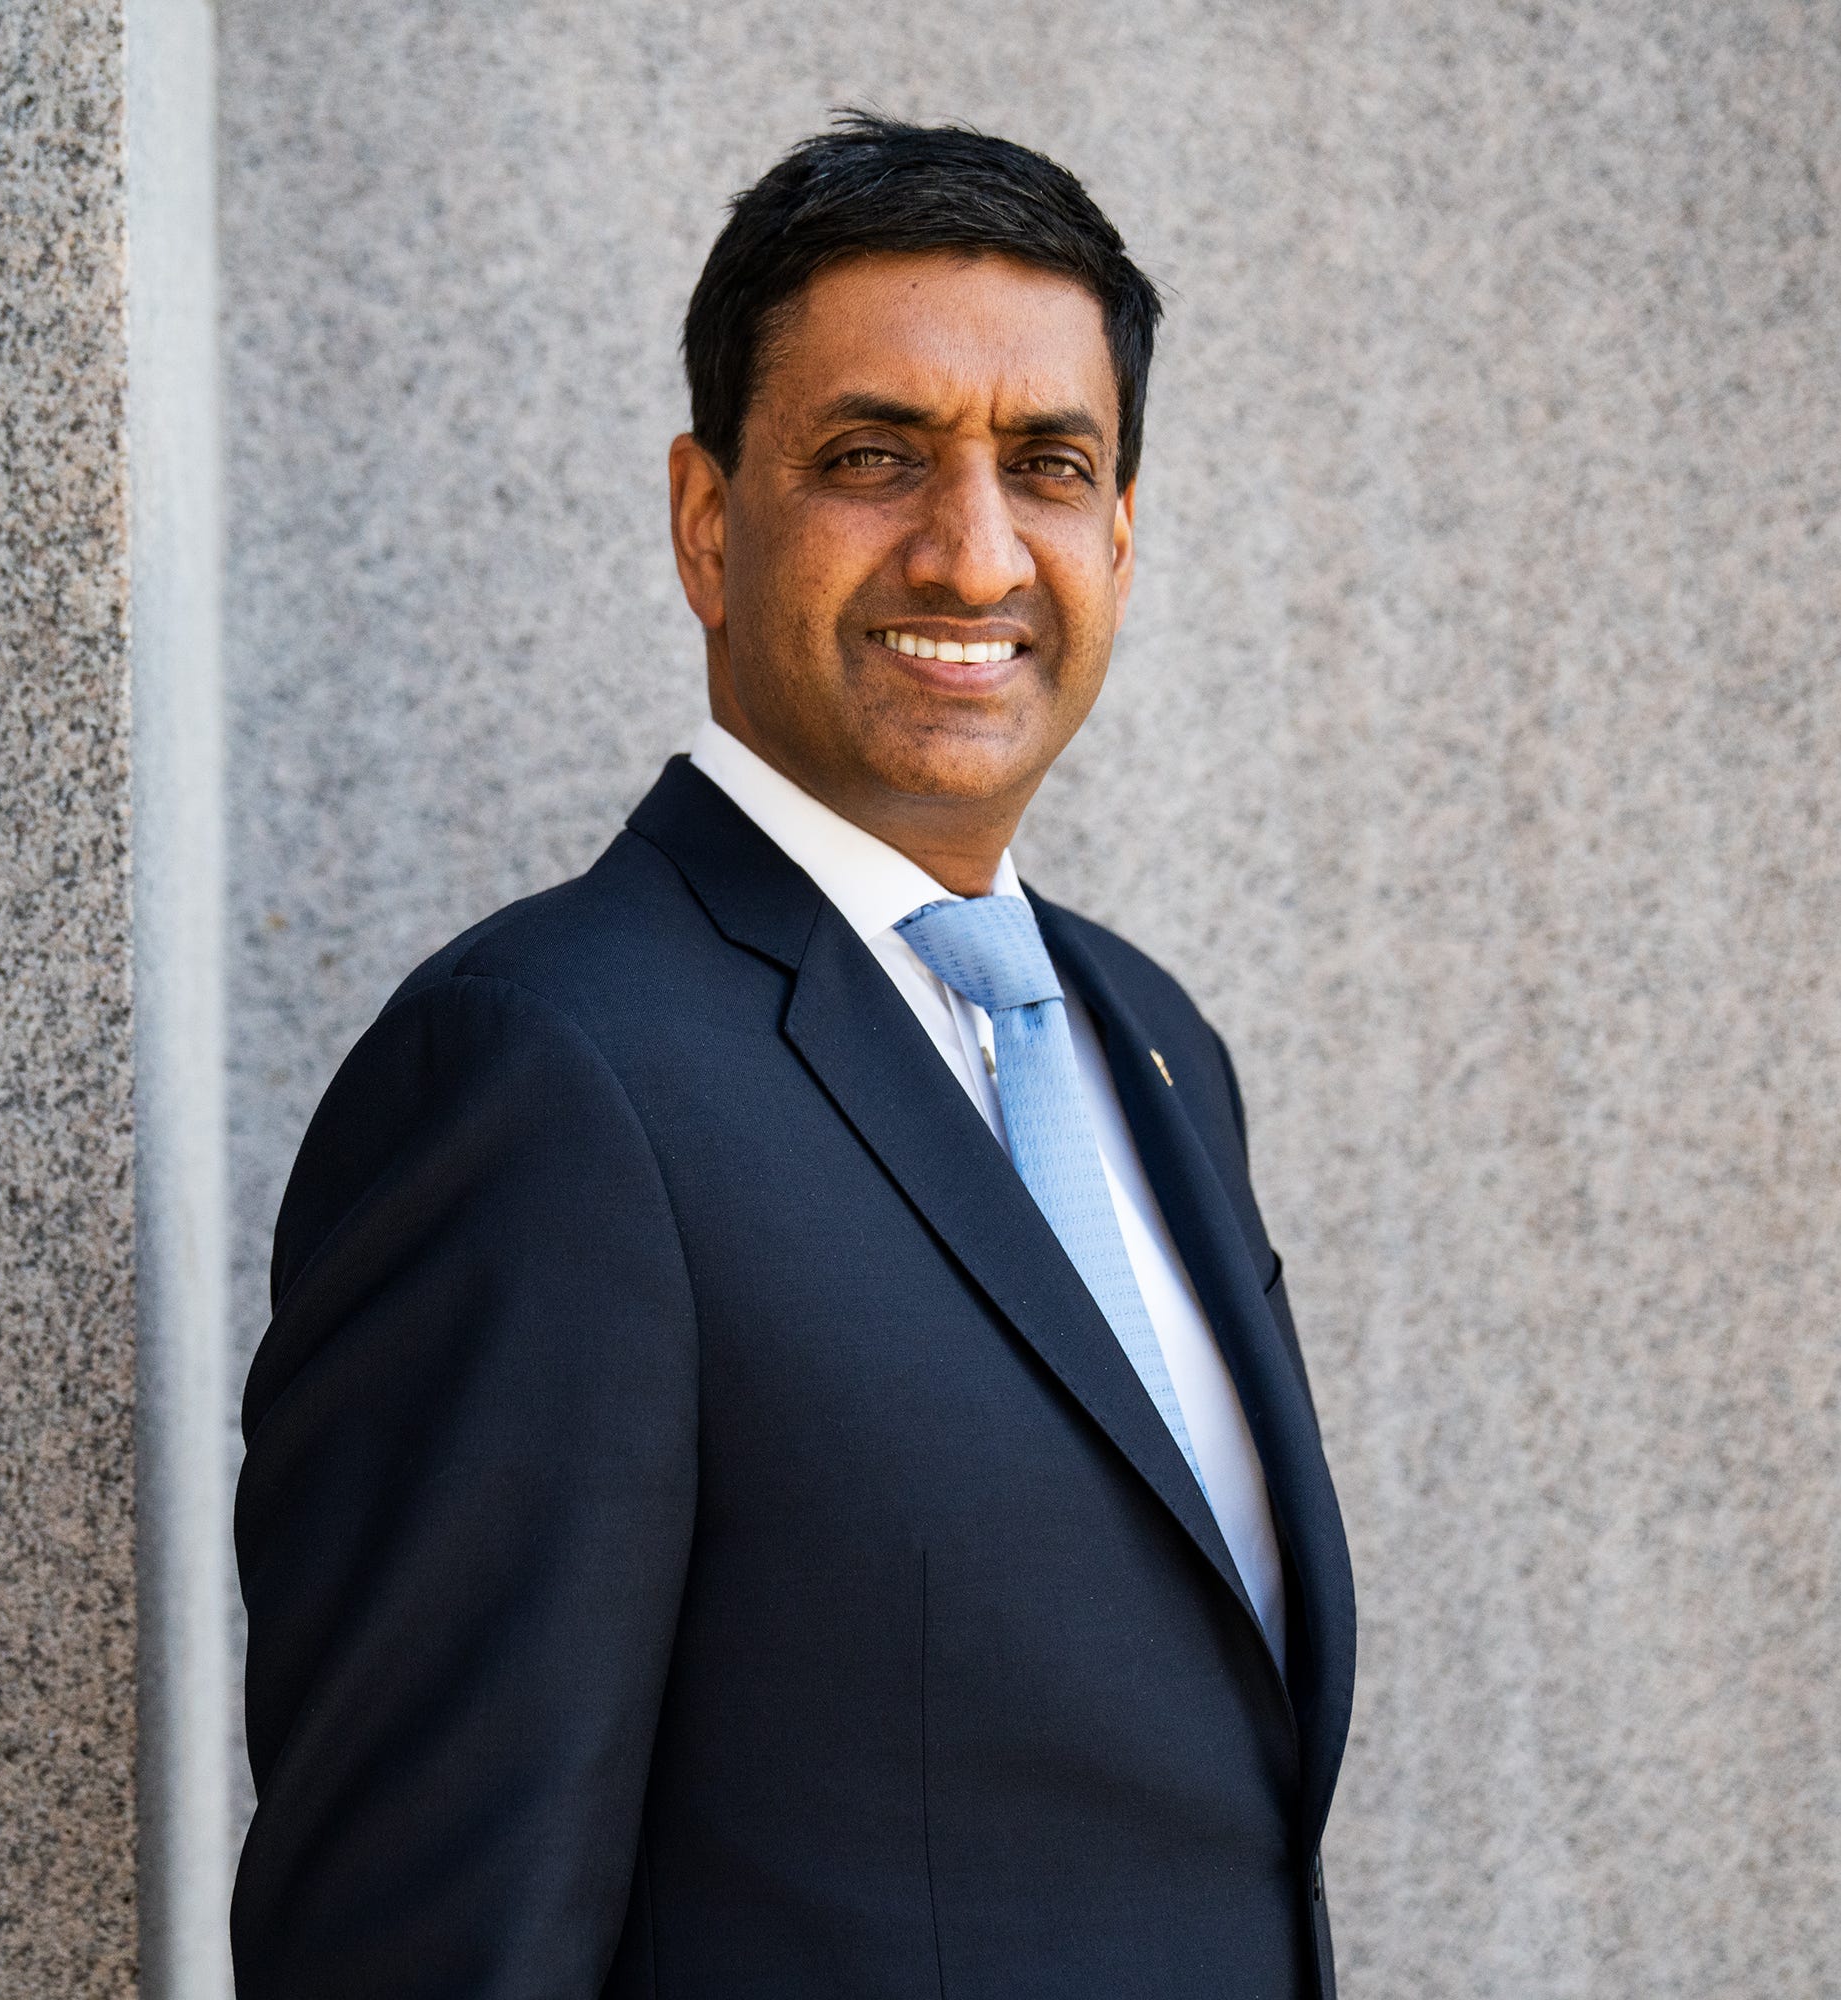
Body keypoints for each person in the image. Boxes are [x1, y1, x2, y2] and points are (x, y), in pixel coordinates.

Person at [232, 112, 1354, 2000]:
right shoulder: (542, 1082)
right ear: (706, 519)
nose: (973, 550)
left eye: (1049, 466)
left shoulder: (1154, 1046)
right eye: (873, 457)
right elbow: (427, 1943)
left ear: (1123, 536)